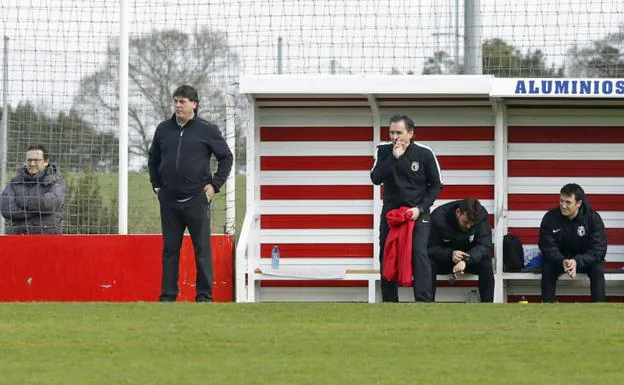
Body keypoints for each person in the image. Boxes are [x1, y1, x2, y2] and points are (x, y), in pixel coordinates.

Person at [148, 85, 233, 302]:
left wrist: (214, 185)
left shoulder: (207, 129)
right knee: (170, 250)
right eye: (176, 101)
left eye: (182, 101)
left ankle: (204, 297)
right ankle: (168, 297)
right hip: (169, 199)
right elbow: (153, 159)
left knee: (202, 250)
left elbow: (226, 157)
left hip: (197, 198)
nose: (178, 105)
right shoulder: (163, 129)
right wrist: (157, 186)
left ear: (194, 104)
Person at [371, 114, 443, 302]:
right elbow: (375, 178)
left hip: (417, 213)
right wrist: (394, 159)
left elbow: (436, 185)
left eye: (399, 133)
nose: (395, 137)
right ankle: (389, 301)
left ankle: (424, 301)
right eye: (392, 132)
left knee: (418, 252)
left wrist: (421, 209)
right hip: (392, 214)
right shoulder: (383, 151)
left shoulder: (425, 153)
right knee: (387, 254)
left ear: (410, 133)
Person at [538, 183, 607, 302]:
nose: (563, 206)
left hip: (585, 261)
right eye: (561, 201)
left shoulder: (593, 218)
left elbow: (598, 250)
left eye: (568, 202)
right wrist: (562, 260)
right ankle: (548, 304)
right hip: (560, 260)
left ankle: (599, 307)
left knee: (598, 268)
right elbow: (546, 246)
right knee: (548, 266)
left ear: (578, 203)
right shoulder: (550, 217)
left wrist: (577, 261)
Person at [428, 198, 494, 302]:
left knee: (486, 263)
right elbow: (430, 248)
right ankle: (427, 305)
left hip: (469, 259)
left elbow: (485, 246)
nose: (468, 226)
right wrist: (450, 254)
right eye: (466, 222)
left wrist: (466, 261)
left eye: (472, 224)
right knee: (428, 264)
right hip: (445, 259)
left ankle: (487, 306)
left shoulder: (480, 216)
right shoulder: (438, 217)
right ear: (458, 212)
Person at [0, 144, 65, 234]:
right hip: (19, 238)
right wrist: (37, 213)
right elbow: (6, 209)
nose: (32, 164)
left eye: (36, 160)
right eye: (29, 160)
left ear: (46, 162)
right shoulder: (14, 182)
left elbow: (48, 204)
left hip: (48, 239)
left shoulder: (56, 181)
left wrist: (21, 201)